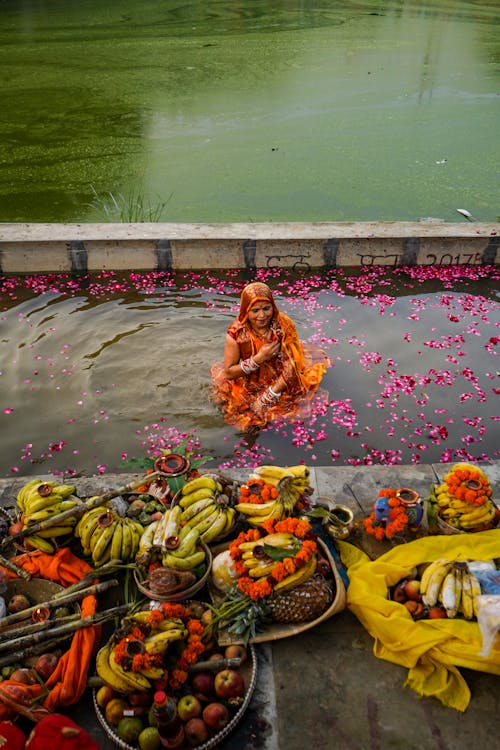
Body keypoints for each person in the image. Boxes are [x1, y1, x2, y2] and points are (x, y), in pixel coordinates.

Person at [211, 281, 330, 432]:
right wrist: (259, 359)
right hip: (248, 378)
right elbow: (229, 372)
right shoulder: (237, 333)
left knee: (286, 410)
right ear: (245, 311)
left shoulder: (284, 325)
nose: (262, 316)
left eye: (266, 309)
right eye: (255, 311)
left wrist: (268, 396)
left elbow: (292, 364)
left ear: (273, 307)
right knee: (241, 417)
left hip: (282, 376)